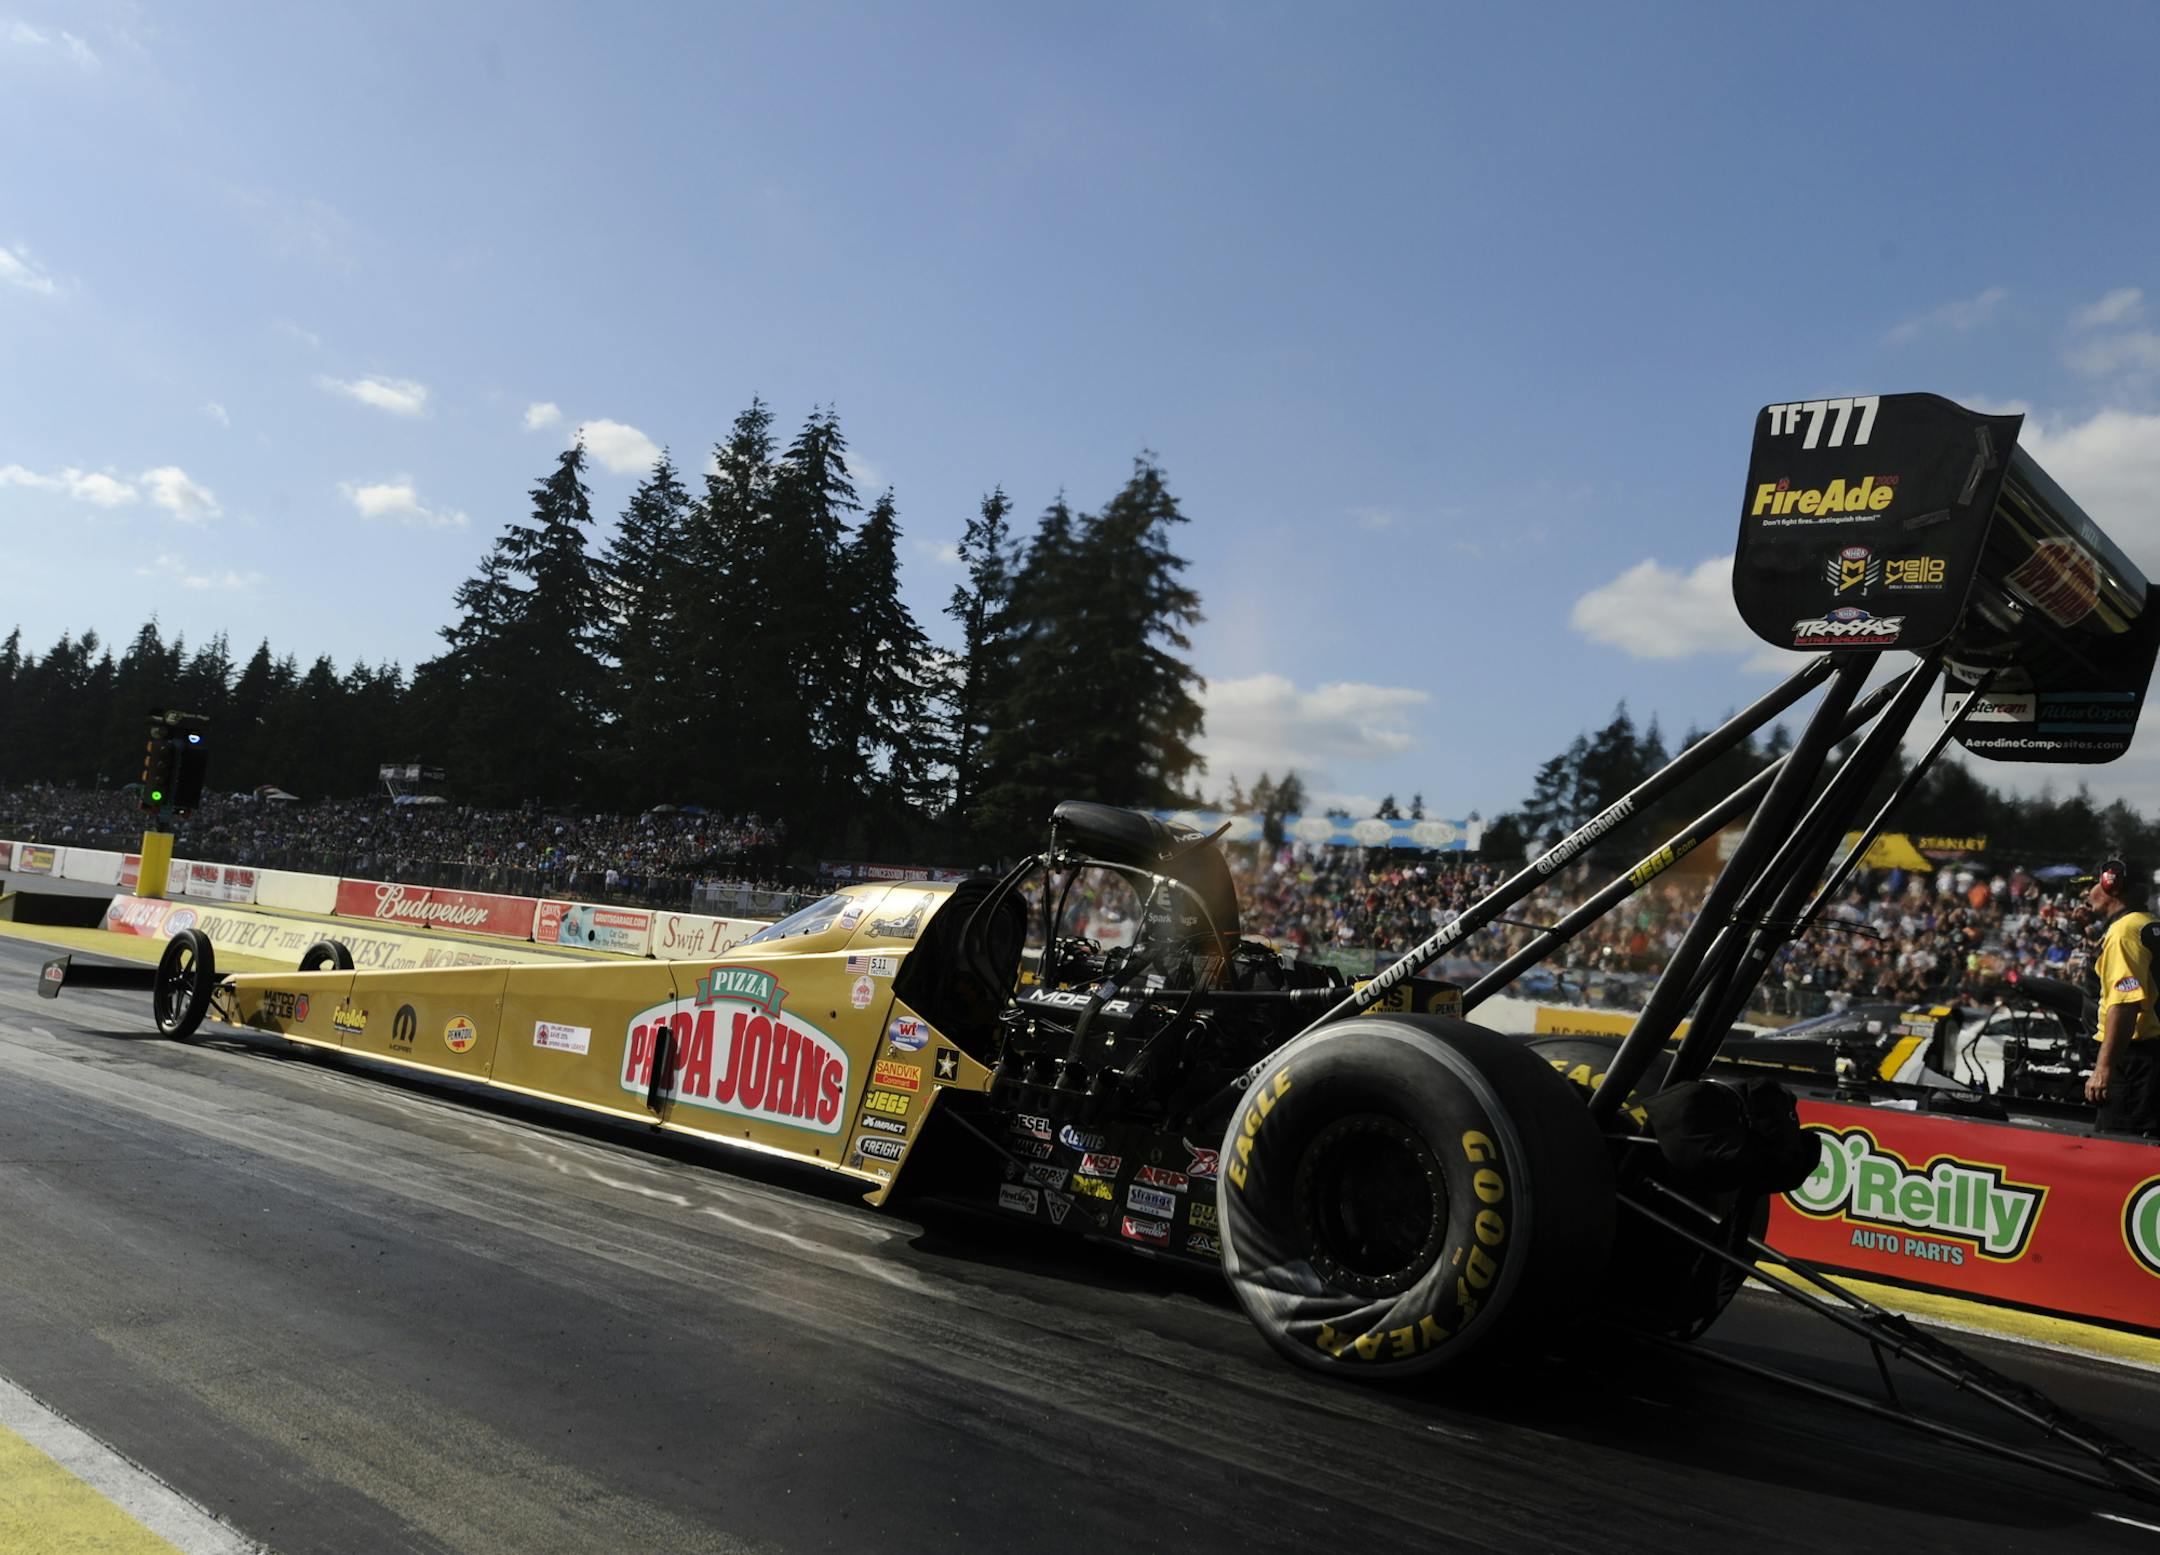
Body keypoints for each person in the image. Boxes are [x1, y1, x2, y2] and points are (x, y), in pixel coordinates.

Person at [2079, 856, 2160, 1136]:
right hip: (2150, 1061)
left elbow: (2125, 1006)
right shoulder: (2147, 925)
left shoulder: (2124, 932)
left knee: (2117, 1156)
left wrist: (2103, 1067)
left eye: (2090, 885)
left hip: (2134, 1066)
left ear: (2110, 883)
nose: (2085, 893)